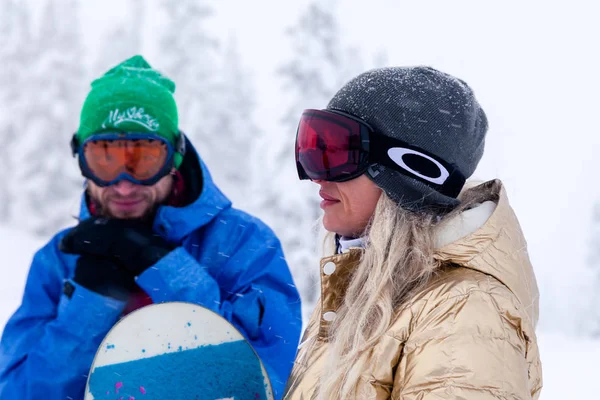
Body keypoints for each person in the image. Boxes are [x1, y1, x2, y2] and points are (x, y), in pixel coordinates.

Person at [0, 55, 301, 400]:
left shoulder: (245, 245)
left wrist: (168, 270)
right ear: (82, 162)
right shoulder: (58, 260)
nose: (125, 185)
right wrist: (90, 302)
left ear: (174, 157)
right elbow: (18, 393)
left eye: (143, 160)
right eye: (106, 160)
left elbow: (269, 381)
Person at [284, 66, 542, 399]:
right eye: (314, 145)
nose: (317, 176)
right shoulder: (364, 290)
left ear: (405, 173)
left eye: (336, 152)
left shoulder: (461, 313)